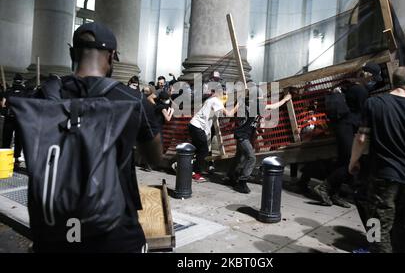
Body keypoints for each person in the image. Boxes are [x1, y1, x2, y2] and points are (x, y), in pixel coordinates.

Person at [32, 22, 161, 253]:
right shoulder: (133, 101)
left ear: (72, 53)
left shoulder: (44, 95)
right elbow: (154, 158)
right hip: (115, 230)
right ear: (111, 56)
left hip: (55, 228)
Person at [349, 66, 405, 253]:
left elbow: (361, 138)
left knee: (376, 223)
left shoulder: (374, 104)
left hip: (381, 175)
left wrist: (353, 161)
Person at [313, 62, 383, 208]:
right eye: (372, 78)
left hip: (345, 126)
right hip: (346, 127)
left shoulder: (354, 86)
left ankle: (334, 193)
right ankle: (324, 187)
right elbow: (364, 112)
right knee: (349, 161)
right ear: (367, 75)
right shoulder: (360, 90)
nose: (373, 81)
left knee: (343, 161)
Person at [229, 89, 292, 194]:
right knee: (251, 158)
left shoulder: (249, 103)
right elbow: (273, 106)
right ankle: (242, 182)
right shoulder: (256, 105)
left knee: (239, 157)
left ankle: (230, 176)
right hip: (243, 135)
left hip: (243, 134)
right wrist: (285, 99)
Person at [189, 87, 239, 182]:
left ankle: (182, 165)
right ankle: (196, 173)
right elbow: (229, 114)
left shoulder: (211, 100)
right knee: (203, 151)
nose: (226, 97)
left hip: (194, 125)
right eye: (224, 94)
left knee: (197, 150)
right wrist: (238, 106)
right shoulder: (216, 101)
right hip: (197, 127)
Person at [1, 73, 27, 169]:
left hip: (9, 118)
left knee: (6, 138)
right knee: (18, 139)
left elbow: (3, 104)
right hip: (20, 118)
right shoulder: (25, 92)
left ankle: (5, 156)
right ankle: (16, 159)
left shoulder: (8, 91)